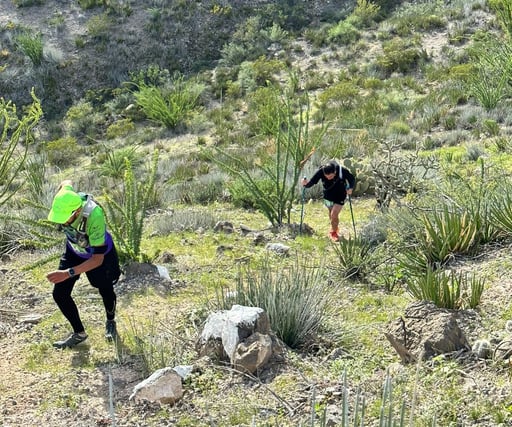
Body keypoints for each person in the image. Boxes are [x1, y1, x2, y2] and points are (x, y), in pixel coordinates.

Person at [46, 180, 121, 349]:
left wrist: (67, 273)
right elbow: (66, 182)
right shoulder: (67, 196)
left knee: (104, 288)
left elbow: (97, 260)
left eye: (65, 219)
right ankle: (79, 333)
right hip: (74, 250)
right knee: (60, 293)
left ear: (77, 210)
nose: (62, 223)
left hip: (100, 253)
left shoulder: (94, 215)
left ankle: (110, 320)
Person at [302, 160, 355, 242]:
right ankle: (334, 227)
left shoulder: (341, 170)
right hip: (328, 196)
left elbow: (351, 179)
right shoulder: (321, 171)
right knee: (331, 214)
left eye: (330, 176)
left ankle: (334, 233)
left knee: (334, 214)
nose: (328, 178)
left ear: (335, 172)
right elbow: (312, 182)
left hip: (340, 195)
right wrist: (305, 184)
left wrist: (350, 188)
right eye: (326, 176)